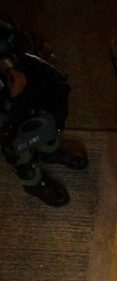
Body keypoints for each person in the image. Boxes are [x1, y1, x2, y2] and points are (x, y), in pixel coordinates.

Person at [0, 20, 88, 207]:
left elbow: (13, 35)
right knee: (17, 148)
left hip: (26, 89)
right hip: (9, 113)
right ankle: (33, 183)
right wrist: (14, 99)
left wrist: (36, 44)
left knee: (48, 121)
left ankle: (50, 152)